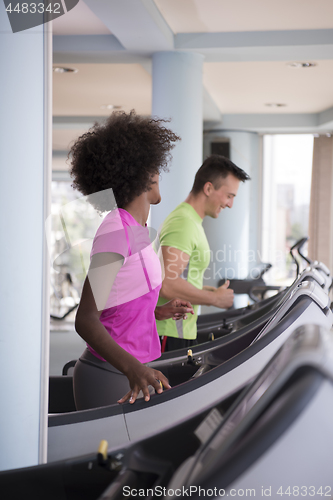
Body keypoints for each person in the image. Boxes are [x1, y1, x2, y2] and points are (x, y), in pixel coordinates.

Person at [69, 111, 194, 410]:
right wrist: (132, 369)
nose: (158, 173)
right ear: (144, 176)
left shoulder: (135, 232)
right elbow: (85, 319)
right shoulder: (115, 231)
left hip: (131, 369)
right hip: (111, 374)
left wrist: (157, 312)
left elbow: (118, 304)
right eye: (154, 168)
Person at [156, 154, 250, 352]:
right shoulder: (184, 223)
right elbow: (168, 283)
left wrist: (208, 291)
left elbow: (183, 277)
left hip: (179, 331)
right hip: (169, 331)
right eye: (229, 195)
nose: (230, 204)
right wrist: (215, 300)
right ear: (208, 188)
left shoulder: (191, 221)